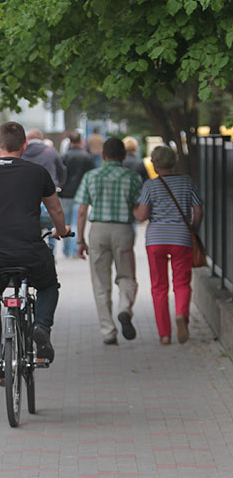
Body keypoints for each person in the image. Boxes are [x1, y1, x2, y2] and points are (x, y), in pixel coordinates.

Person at [0, 122, 70, 379]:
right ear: (24, 145)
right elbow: (55, 210)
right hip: (30, 251)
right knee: (47, 286)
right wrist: (61, 231)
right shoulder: (38, 172)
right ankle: (41, 327)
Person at [75, 137, 143, 345]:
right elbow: (139, 209)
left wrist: (80, 239)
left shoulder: (91, 176)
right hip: (123, 229)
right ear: (124, 155)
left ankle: (108, 331)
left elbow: (82, 210)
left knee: (100, 283)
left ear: (103, 155)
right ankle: (124, 308)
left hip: (98, 230)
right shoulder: (132, 177)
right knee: (127, 276)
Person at [134, 145, 203, 345]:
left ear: (155, 165)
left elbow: (142, 215)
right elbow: (198, 210)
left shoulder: (150, 185)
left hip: (155, 240)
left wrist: (133, 211)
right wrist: (193, 230)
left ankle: (164, 334)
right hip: (181, 238)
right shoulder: (187, 182)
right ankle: (181, 315)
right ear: (173, 162)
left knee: (159, 286)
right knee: (181, 283)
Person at [22, 129, 67, 255]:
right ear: (40, 138)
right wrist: (60, 185)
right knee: (52, 220)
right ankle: (51, 251)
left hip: (27, 196)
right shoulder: (51, 152)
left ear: (27, 139)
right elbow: (62, 170)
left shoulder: (22, 153)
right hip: (50, 192)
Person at [60, 131, 94, 257]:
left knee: (65, 222)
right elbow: (91, 175)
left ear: (70, 141)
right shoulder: (86, 157)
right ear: (80, 141)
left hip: (66, 193)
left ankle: (66, 249)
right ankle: (75, 249)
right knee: (76, 221)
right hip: (81, 193)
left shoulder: (64, 156)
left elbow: (60, 175)